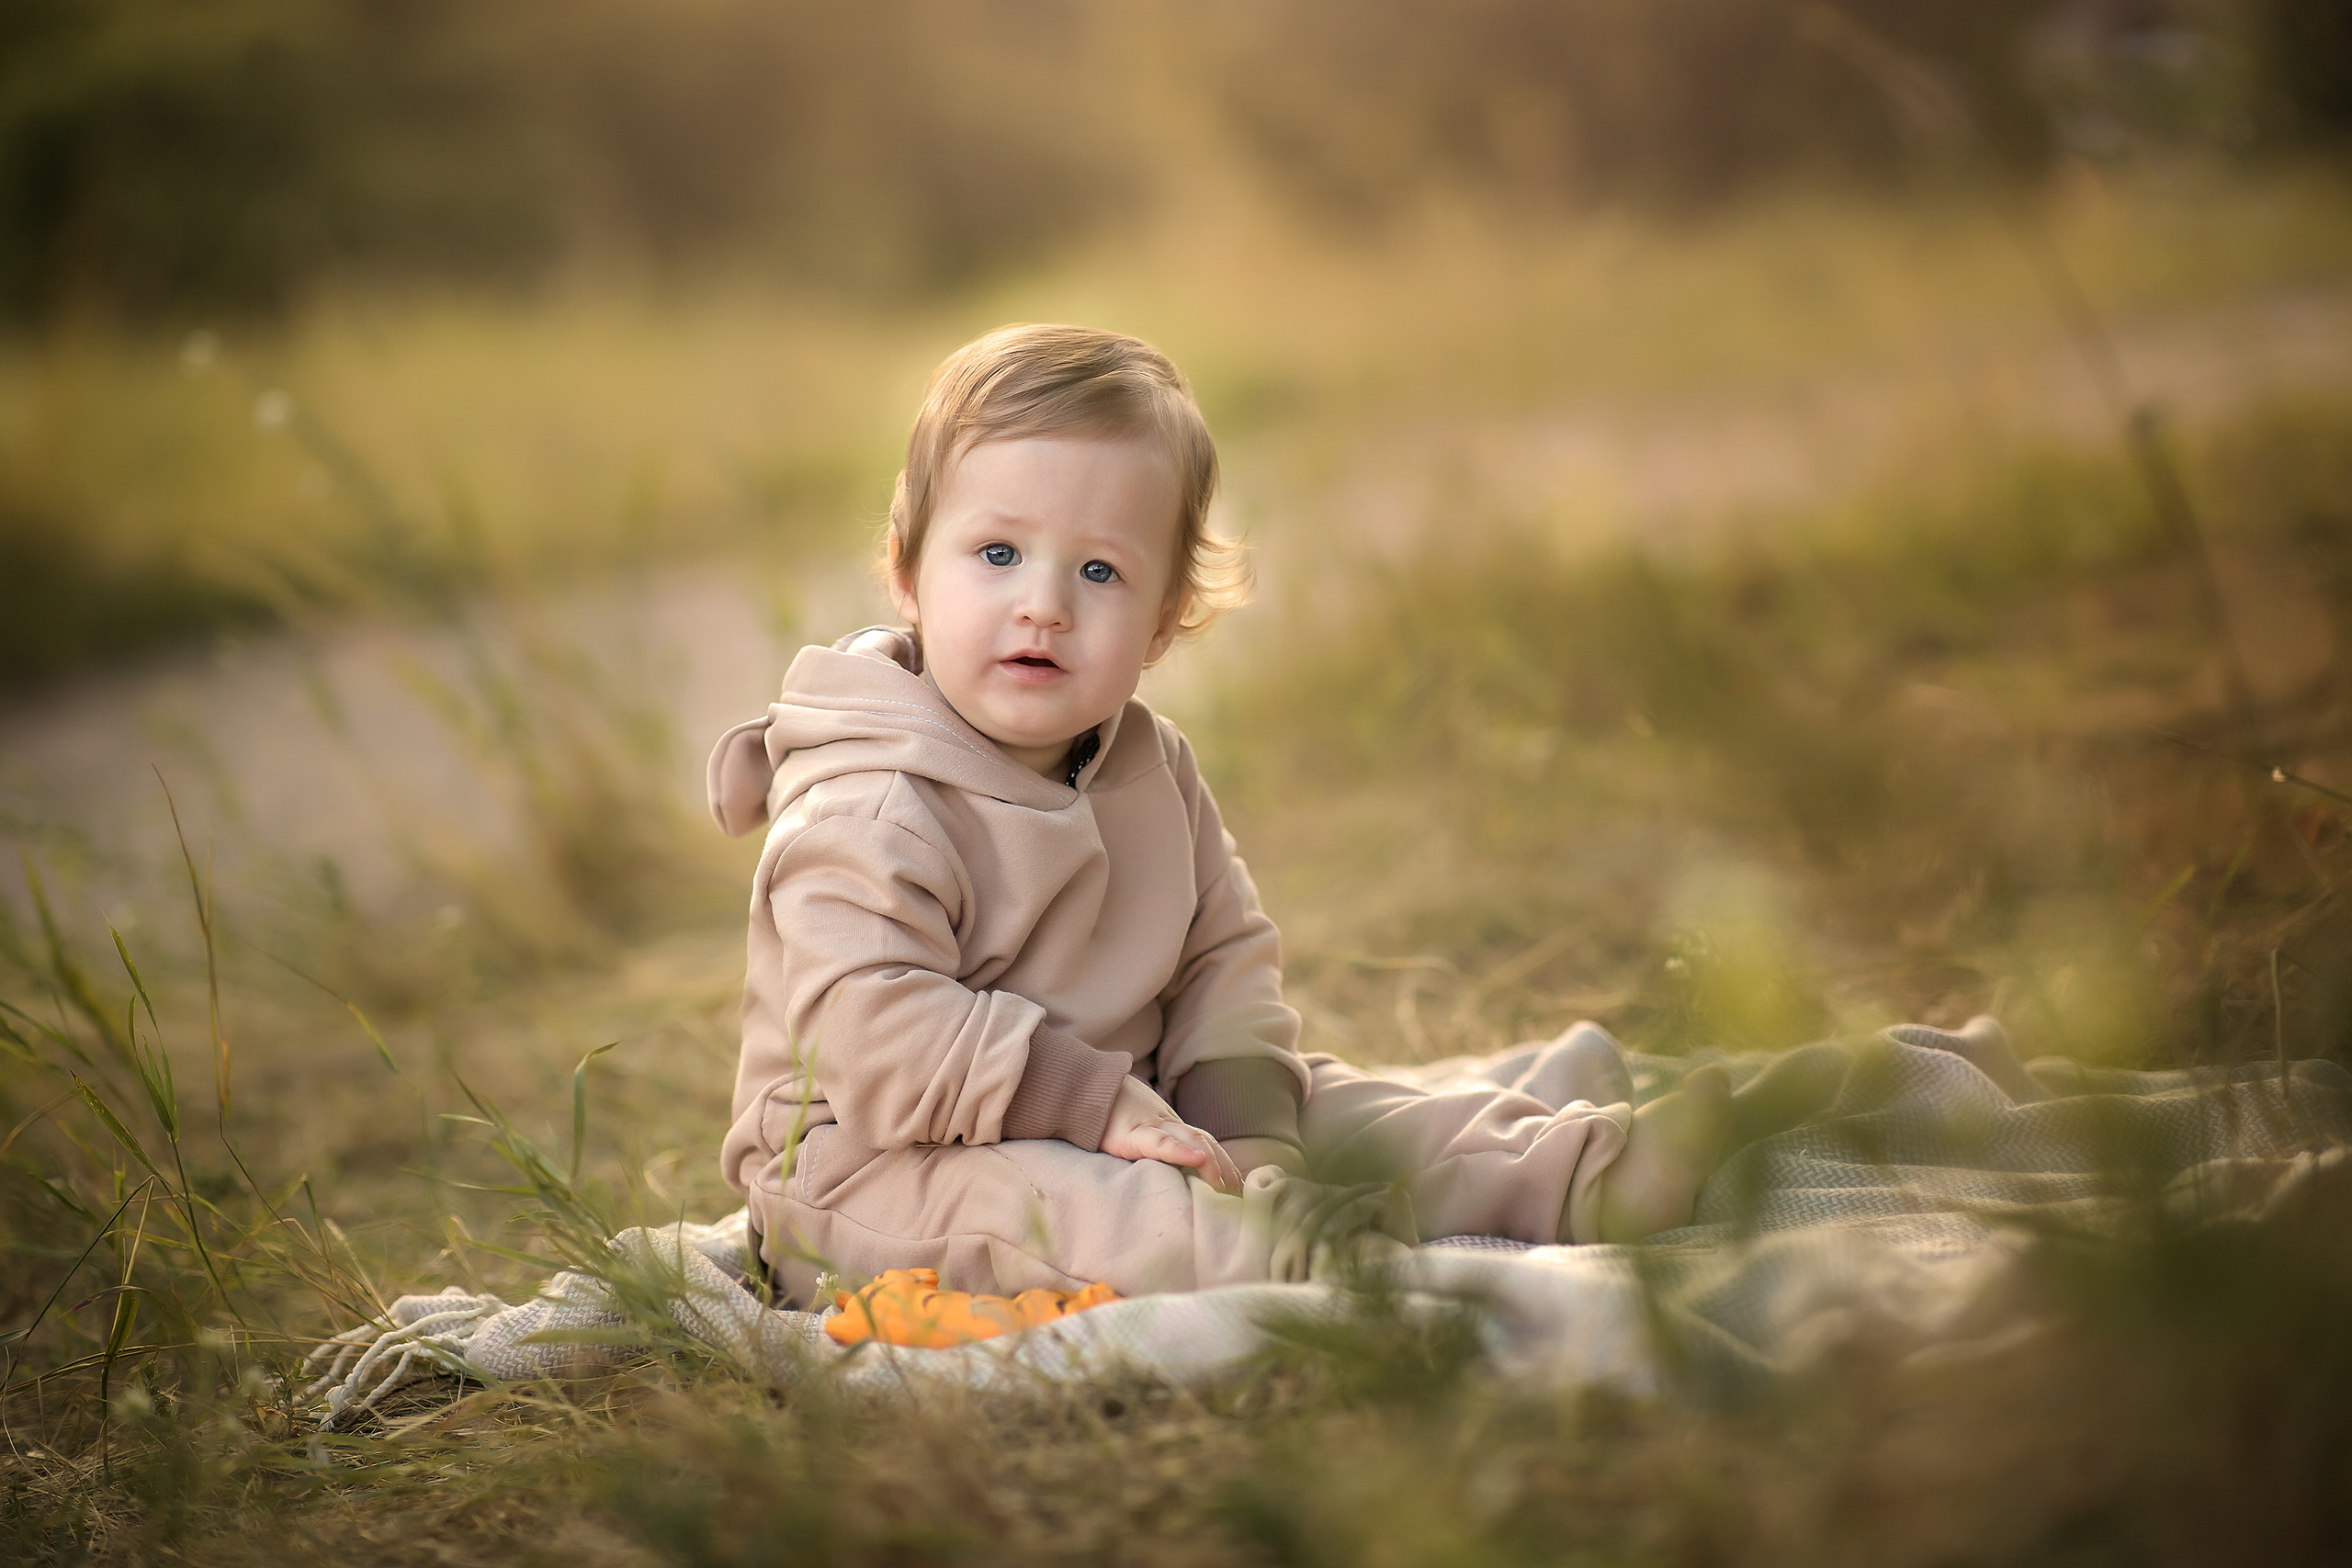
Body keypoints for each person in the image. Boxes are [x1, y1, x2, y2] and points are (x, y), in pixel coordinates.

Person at [707, 323, 1751, 1306]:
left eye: (1100, 571)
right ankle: (1296, 1260)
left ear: (1163, 624)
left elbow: (1222, 960)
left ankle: (1574, 1173)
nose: (1044, 604)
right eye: (996, 554)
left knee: (1342, 1116)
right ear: (905, 571)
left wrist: (1255, 1148)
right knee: (1094, 1212)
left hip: (1134, 1099)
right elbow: (876, 1032)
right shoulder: (868, 799)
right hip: (875, 1174)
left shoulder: (1150, 769)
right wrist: (1105, 1109)